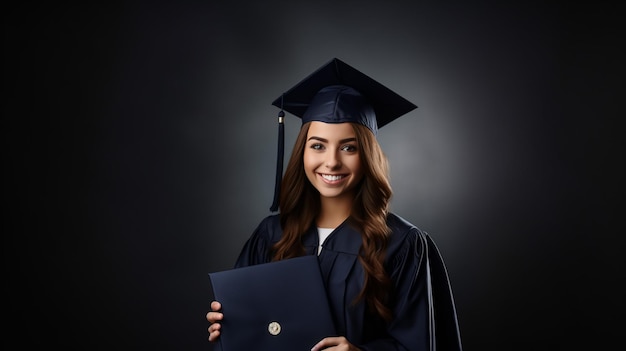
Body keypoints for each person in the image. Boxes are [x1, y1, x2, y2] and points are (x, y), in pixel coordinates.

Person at [206, 58, 462, 351]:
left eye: (349, 147)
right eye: (318, 145)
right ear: (302, 151)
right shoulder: (270, 236)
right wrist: (229, 328)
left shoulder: (403, 245)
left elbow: (421, 344)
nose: (331, 161)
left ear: (367, 155)